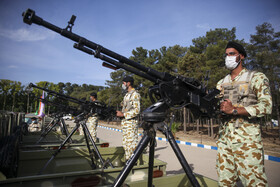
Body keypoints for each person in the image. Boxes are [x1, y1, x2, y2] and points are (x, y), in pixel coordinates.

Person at [216, 41, 272, 186]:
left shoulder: (256, 77)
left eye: (232, 54)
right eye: (226, 54)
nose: (228, 57)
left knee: (255, 183)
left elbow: (266, 106)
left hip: (247, 143)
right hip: (224, 142)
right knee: (224, 183)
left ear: (242, 56)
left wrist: (234, 110)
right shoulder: (221, 83)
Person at [116, 76, 141, 160]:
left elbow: (137, 110)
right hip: (125, 123)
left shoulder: (135, 94)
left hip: (131, 123)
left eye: (123, 83)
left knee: (131, 145)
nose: (122, 85)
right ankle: (128, 162)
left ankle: (132, 164)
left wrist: (123, 115)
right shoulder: (126, 95)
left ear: (128, 83)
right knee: (126, 145)